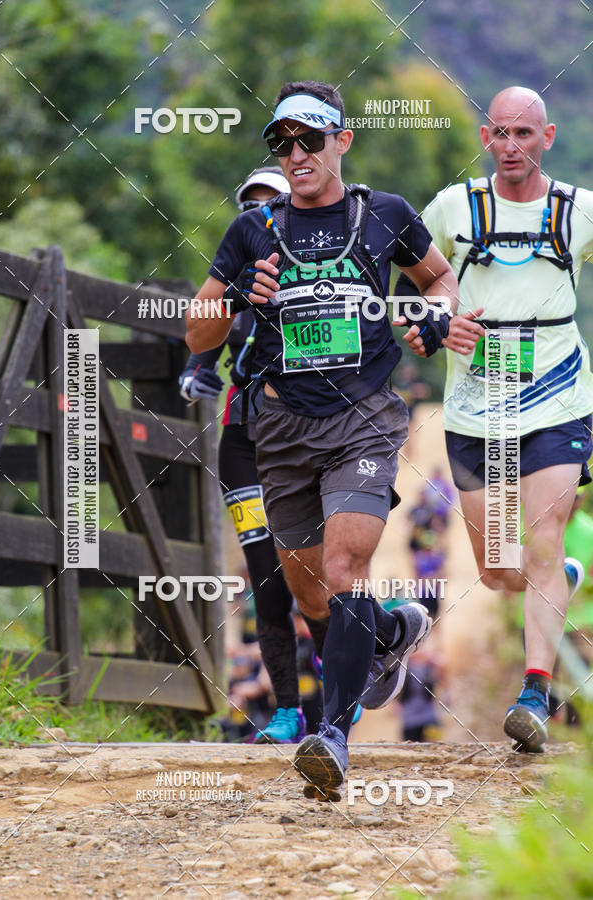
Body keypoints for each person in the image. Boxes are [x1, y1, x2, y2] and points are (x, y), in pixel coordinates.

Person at [187, 80, 459, 799]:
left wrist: (433, 317)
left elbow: (440, 281)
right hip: (280, 426)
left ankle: (332, 735)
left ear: (342, 140)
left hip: (363, 419)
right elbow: (197, 331)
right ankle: (387, 635)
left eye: (311, 138)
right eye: (283, 141)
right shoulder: (253, 230)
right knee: (309, 590)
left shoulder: (385, 216)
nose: (297, 153)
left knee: (343, 571)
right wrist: (240, 293)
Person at [397, 86, 593, 752]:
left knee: (540, 540)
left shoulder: (577, 212)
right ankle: (559, 579)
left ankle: (534, 696)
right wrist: (433, 326)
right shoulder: (454, 208)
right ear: (486, 139)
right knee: (499, 569)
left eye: (524, 134)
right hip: (479, 406)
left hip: (559, 396)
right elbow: (417, 288)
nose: (511, 146)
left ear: (548, 137)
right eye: (500, 134)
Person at [180, 167, 311, 745]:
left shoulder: (317, 267)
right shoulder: (233, 280)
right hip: (243, 435)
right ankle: (288, 711)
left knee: (316, 570)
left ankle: (363, 662)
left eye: (273, 203)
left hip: (310, 433)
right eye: (251, 206)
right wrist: (194, 372)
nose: (262, 215)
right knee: (265, 573)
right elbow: (204, 338)